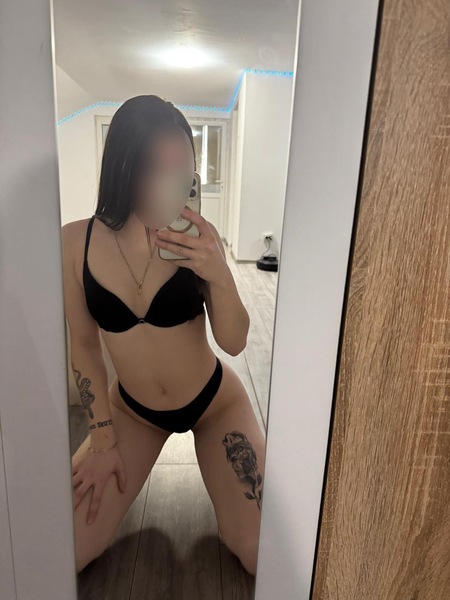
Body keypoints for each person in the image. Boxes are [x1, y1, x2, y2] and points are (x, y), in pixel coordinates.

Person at [62, 94, 265, 577]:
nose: (169, 184)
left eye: (180, 169)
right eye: (154, 167)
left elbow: (234, 342)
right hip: (132, 413)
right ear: (123, 167)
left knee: (261, 550)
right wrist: (102, 439)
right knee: (63, 548)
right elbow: (84, 345)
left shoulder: (200, 240)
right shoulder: (75, 243)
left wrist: (218, 273)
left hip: (214, 403)